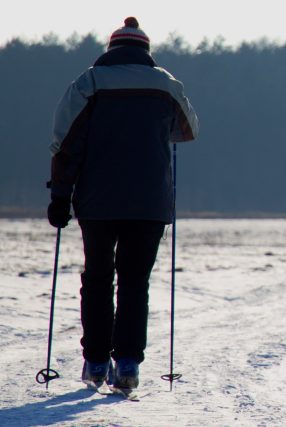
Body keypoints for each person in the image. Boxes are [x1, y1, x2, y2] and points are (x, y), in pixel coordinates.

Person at [47, 17, 199, 389]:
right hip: (149, 203)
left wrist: (60, 197)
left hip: (98, 202)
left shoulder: (90, 82)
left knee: (97, 279)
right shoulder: (166, 83)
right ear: (145, 52)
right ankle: (128, 364)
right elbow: (189, 129)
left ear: (112, 49)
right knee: (135, 282)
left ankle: (96, 362)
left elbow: (66, 144)